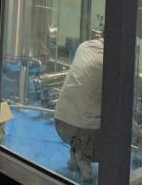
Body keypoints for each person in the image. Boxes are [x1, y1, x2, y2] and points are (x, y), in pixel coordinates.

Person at [54, 37, 103, 182]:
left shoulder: (85, 46)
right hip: (81, 129)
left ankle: (76, 151)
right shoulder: (112, 61)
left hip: (60, 123)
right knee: (114, 131)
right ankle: (83, 156)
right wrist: (137, 133)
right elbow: (119, 107)